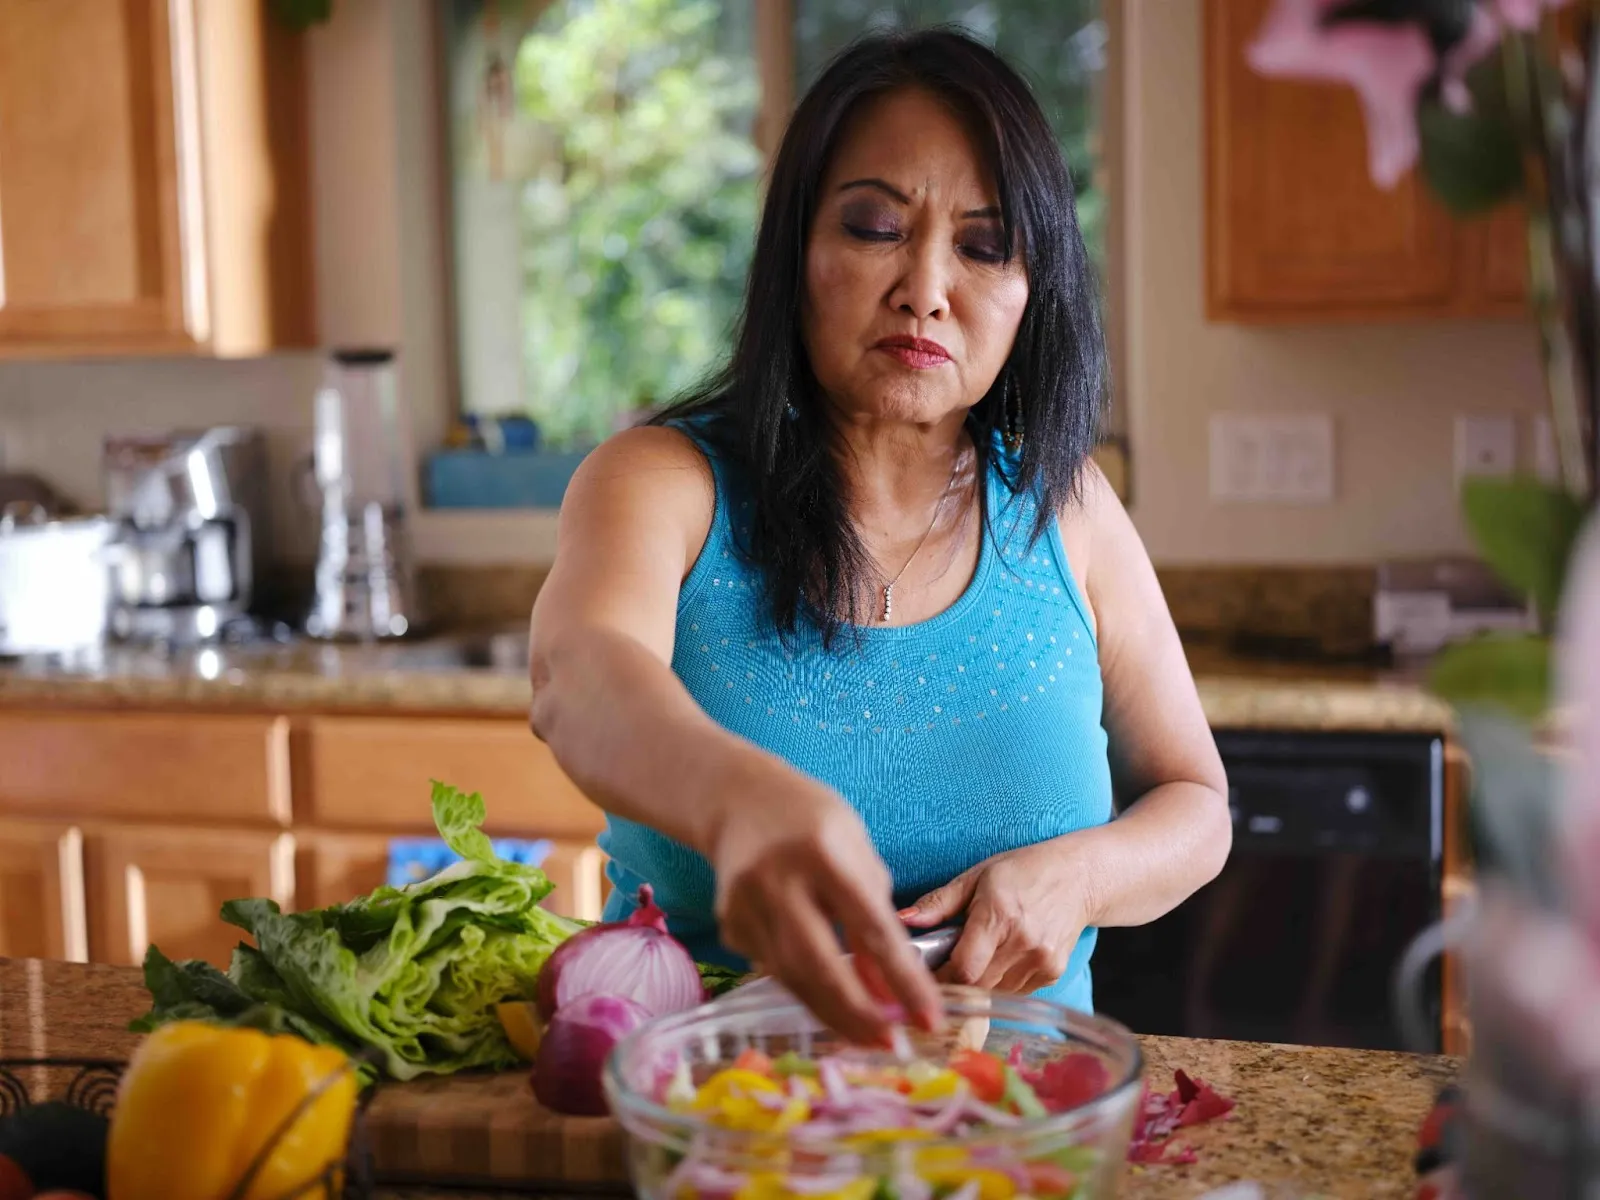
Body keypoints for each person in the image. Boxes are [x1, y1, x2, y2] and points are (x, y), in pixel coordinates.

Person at [529, 28, 1230, 1045]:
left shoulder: (1065, 507)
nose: (926, 288)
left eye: (984, 246)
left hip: (1024, 1138)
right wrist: (737, 803)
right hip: (723, 1134)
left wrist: (1076, 876)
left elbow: (1196, 805)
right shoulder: (661, 483)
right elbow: (573, 675)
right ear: (795, 252)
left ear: (1032, 295)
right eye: (872, 227)